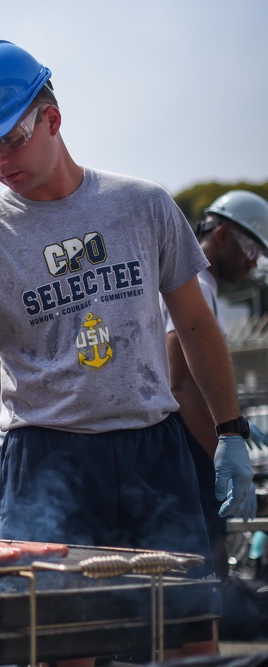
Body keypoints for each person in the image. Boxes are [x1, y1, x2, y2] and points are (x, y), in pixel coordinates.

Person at [0, 41, 254, 660]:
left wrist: (229, 431)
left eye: (9, 140)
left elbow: (198, 327)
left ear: (52, 118)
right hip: (47, 457)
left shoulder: (142, 206)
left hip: (152, 448)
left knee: (186, 641)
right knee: (62, 647)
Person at [161, 190, 268, 581]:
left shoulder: (203, 288)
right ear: (221, 236)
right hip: (183, 445)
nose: (253, 261)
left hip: (187, 442)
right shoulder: (195, 287)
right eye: (250, 248)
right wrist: (223, 450)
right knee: (205, 562)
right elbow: (182, 385)